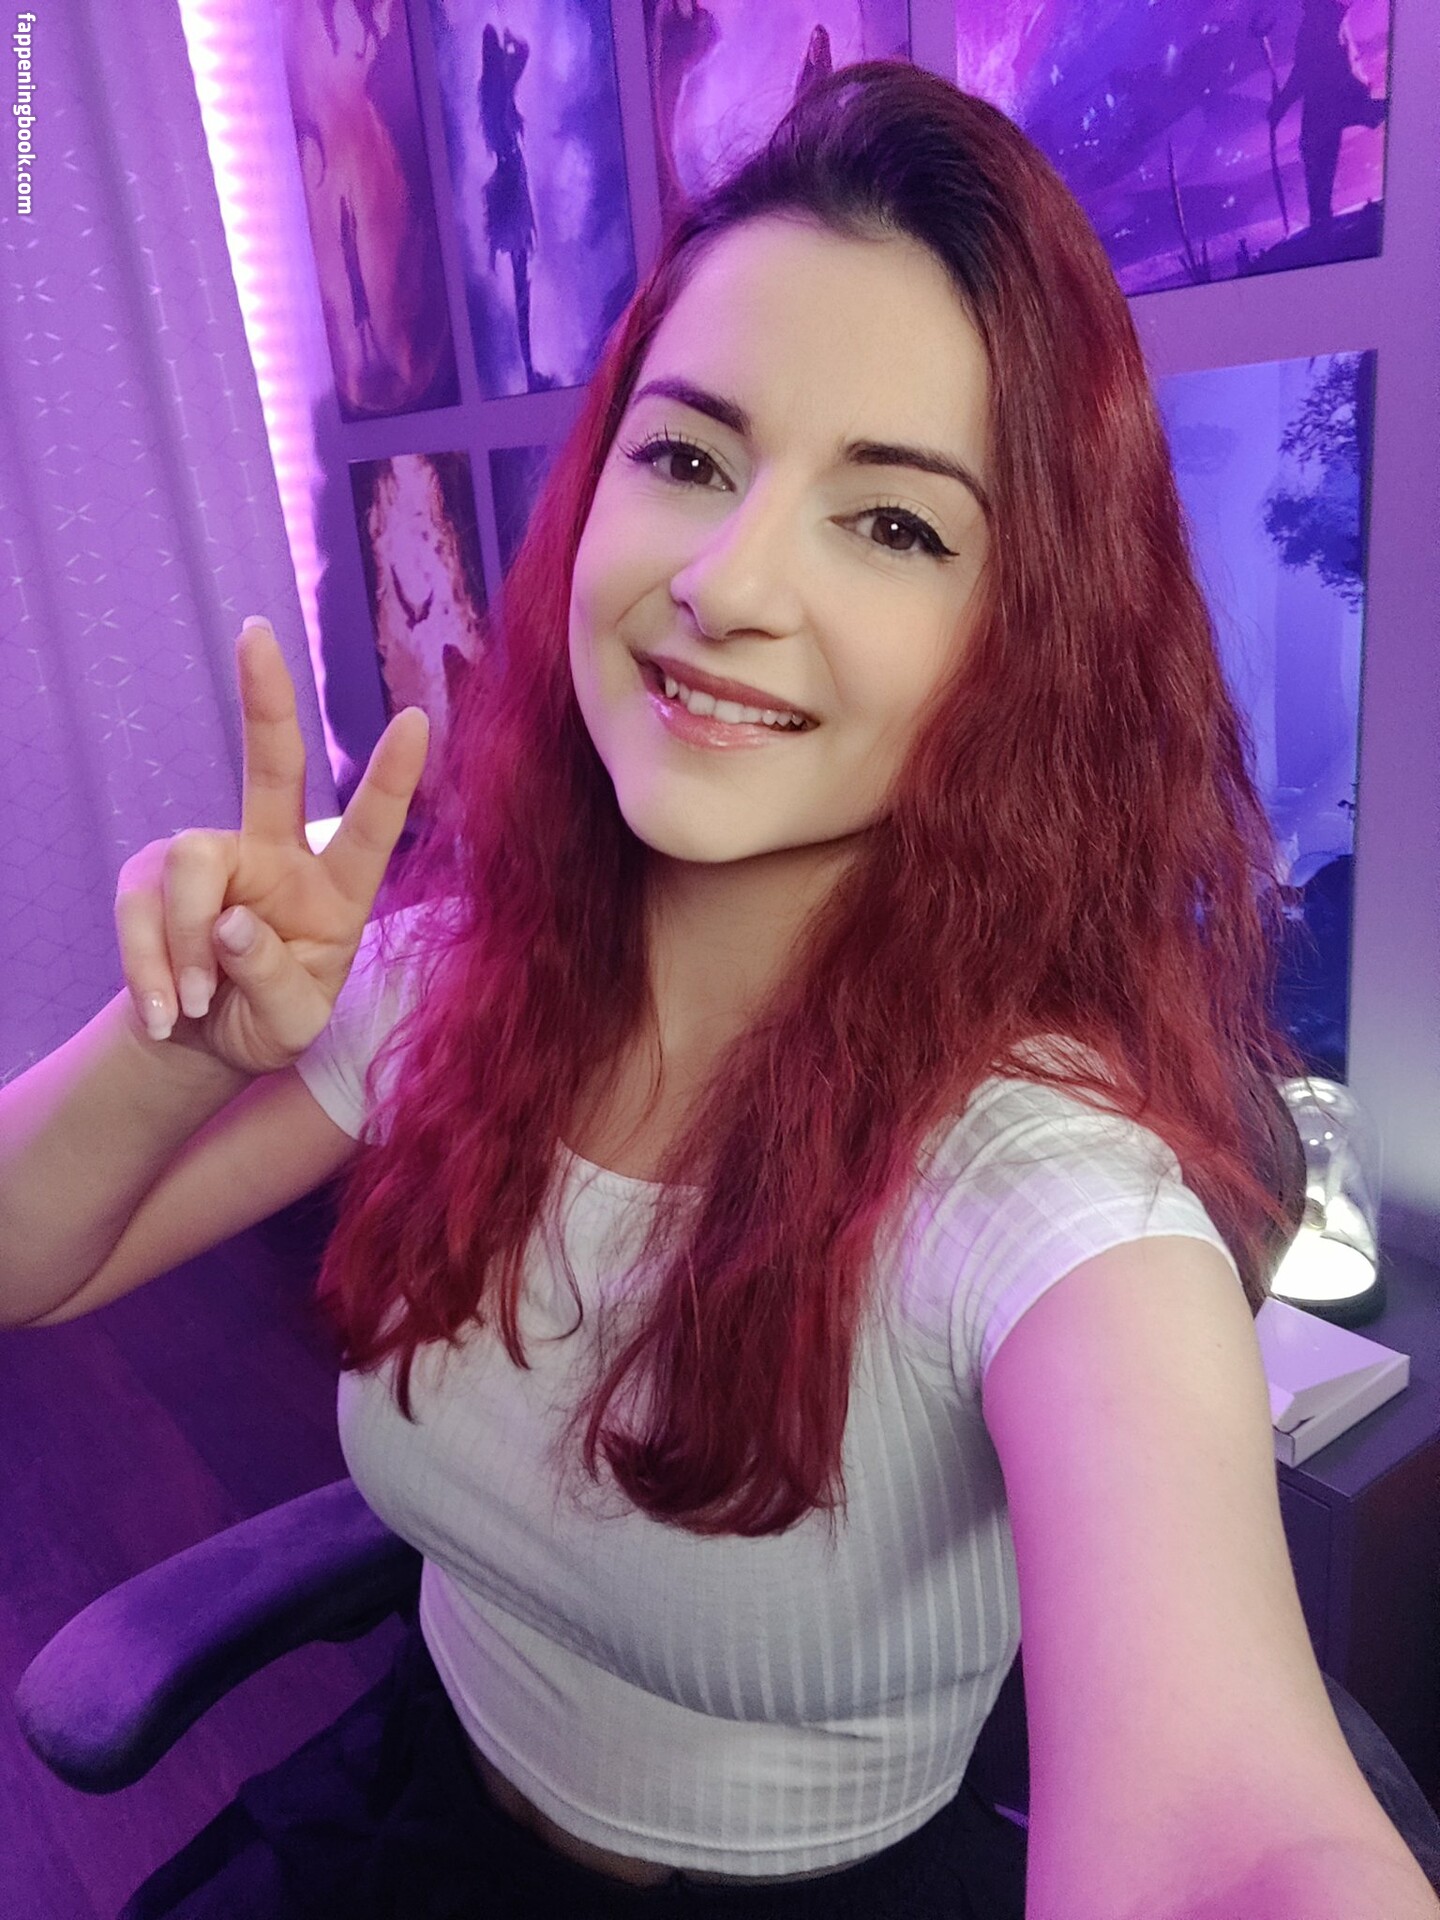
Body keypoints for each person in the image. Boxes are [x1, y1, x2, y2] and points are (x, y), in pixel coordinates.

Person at [2, 60, 1436, 1920]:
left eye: (895, 523)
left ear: (1021, 642)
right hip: (416, 1808)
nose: (726, 581)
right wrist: (178, 1049)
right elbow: (29, 1261)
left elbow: (1238, 1840)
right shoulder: (446, 979)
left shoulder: (1043, 1191)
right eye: (685, 459)